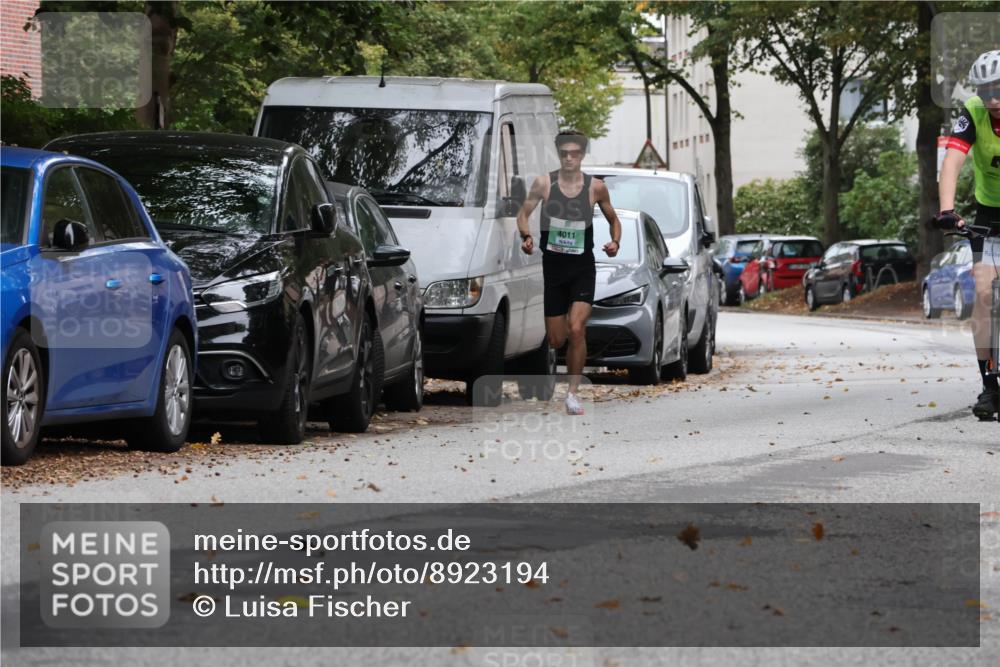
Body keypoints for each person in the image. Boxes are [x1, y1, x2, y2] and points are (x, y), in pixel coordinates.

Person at [516, 130, 622, 415]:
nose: (570, 158)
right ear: (559, 154)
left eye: (575, 153)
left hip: (582, 269)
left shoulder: (595, 187)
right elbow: (523, 213)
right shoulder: (544, 184)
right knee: (556, 339)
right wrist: (525, 236)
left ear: (582, 155)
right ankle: (564, 369)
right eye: (565, 153)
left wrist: (615, 242)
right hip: (553, 271)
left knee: (577, 329)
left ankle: (573, 393)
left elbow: (614, 220)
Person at [935, 49, 1000, 420]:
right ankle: (989, 387)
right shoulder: (974, 112)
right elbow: (954, 160)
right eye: (985, 89)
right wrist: (947, 211)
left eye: (999, 89)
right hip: (989, 212)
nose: (992, 97)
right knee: (985, 296)